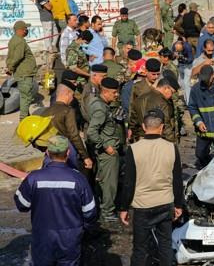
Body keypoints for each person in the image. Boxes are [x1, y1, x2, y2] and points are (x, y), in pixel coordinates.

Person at [14, 135, 97, 266]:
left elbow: (22, 205)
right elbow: (90, 213)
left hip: (43, 241)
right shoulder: (78, 180)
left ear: (47, 153)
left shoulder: (34, 178)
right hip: (70, 241)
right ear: (68, 153)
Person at [114, 108, 184, 266]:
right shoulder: (172, 148)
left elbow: (128, 183)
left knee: (139, 249)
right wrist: (179, 204)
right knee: (165, 247)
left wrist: (123, 208)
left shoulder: (134, 149)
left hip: (142, 206)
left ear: (144, 127)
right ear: (161, 128)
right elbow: (177, 180)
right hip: (165, 203)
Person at [87, 77, 121, 222]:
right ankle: (108, 211)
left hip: (106, 150)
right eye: (114, 93)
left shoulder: (98, 103)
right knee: (109, 183)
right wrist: (106, 147)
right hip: (108, 152)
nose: (116, 95)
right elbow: (91, 132)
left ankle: (103, 207)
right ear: (105, 92)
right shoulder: (100, 108)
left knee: (103, 180)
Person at [41, 80, 92, 170]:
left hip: (50, 151)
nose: (72, 99)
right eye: (72, 96)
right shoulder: (68, 111)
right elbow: (74, 136)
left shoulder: (45, 112)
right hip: (66, 151)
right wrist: (85, 157)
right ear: (67, 94)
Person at [129, 73, 179, 142]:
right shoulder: (162, 102)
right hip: (157, 139)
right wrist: (172, 142)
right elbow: (166, 126)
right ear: (166, 88)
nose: (171, 96)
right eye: (172, 92)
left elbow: (133, 121)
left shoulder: (140, 97)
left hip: (141, 138)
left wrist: (135, 136)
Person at [6, 21, 38, 120]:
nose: (26, 31)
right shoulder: (20, 41)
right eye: (25, 29)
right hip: (24, 73)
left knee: (25, 96)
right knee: (26, 97)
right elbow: (17, 57)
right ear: (20, 30)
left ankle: (26, 117)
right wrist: (10, 68)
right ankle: (23, 119)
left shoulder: (13, 40)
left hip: (21, 73)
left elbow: (10, 57)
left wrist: (10, 67)